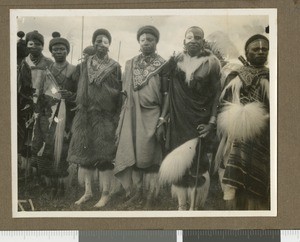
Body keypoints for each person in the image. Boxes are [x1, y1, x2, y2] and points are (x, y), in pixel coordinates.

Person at [159, 26, 221, 210]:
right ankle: (181, 205)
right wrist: (163, 119)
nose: (193, 40)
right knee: (179, 163)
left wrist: (211, 122)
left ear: (203, 42)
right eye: (189, 37)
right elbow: (168, 93)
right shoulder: (176, 62)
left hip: (199, 121)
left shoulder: (211, 63)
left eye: (198, 37)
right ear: (184, 41)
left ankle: (194, 207)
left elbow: (216, 95)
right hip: (178, 121)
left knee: (197, 164)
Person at [114, 25, 169, 208]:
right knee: (135, 154)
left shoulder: (163, 64)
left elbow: (166, 95)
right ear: (139, 42)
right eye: (143, 39)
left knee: (150, 156)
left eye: (150, 40)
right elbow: (124, 93)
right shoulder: (130, 63)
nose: (146, 43)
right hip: (132, 114)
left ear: (156, 42)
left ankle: (151, 195)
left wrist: (162, 120)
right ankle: (137, 193)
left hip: (152, 114)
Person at [67, 29, 122, 208]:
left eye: (105, 42)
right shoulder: (84, 65)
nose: (101, 44)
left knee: (104, 156)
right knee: (85, 155)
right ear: (93, 43)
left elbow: (118, 91)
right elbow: (73, 85)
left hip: (104, 116)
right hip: (84, 115)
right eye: (98, 41)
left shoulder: (114, 66)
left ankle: (106, 193)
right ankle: (88, 192)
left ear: (109, 45)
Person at [217, 34, 270, 210]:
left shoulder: (272, 76)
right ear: (247, 52)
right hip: (236, 131)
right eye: (256, 49)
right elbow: (224, 102)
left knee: (259, 170)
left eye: (265, 49)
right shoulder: (235, 76)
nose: (261, 52)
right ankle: (235, 206)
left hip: (265, 131)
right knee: (236, 160)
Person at [31, 32, 77, 197]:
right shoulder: (46, 71)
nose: (59, 52)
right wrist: (39, 113)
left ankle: (62, 186)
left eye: (62, 49)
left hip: (65, 116)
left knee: (62, 149)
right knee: (48, 147)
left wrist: (69, 96)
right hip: (48, 115)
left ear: (67, 51)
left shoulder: (73, 70)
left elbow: (78, 93)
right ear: (51, 52)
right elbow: (42, 93)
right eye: (55, 49)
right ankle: (51, 184)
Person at [17, 30, 53, 178]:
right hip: (26, 103)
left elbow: (52, 86)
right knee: (26, 135)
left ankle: (39, 171)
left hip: (44, 105)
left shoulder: (49, 63)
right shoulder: (23, 62)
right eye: (31, 44)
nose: (34, 47)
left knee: (40, 135)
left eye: (38, 44)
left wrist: (44, 100)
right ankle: (25, 170)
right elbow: (20, 84)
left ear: (42, 46)